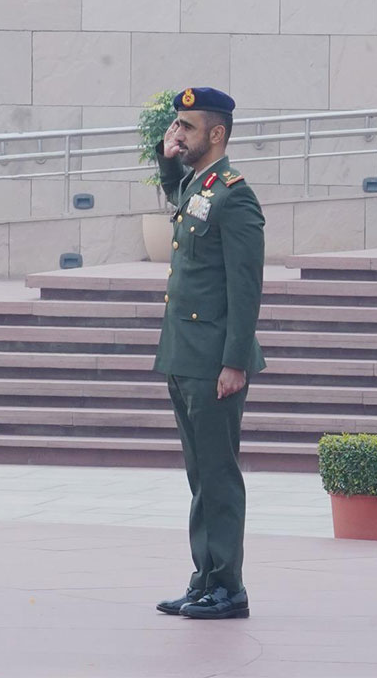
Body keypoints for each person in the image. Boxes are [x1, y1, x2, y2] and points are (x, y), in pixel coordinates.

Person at [152, 87, 266, 621]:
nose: (180, 133)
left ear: (216, 134)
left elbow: (246, 287)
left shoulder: (235, 195)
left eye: (188, 127)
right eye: (177, 125)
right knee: (199, 473)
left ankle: (228, 586)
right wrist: (165, 157)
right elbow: (178, 199)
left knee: (218, 473)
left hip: (215, 358)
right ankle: (205, 576)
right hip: (185, 353)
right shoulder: (201, 186)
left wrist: (235, 362)